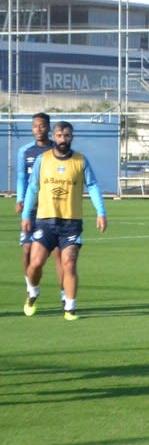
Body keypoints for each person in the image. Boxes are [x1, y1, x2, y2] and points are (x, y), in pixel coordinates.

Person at [21, 121, 108, 321]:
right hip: (45, 221)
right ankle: (32, 292)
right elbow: (33, 188)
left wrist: (100, 212)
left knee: (69, 263)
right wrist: (26, 214)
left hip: (71, 223)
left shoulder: (80, 161)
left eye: (67, 136)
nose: (63, 140)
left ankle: (70, 308)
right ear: (54, 136)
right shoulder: (43, 160)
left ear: (72, 137)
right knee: (35, 264)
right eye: (59, 136)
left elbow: (93, 186)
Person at [15, 113, 64, 303]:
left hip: (52, 209)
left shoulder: (57, 150)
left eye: (42, 126)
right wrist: (20, 199)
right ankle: (31, 289)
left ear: (48, 127)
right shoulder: (25, 151)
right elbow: (22, 177)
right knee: (27, 250)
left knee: (58, 253)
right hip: (31, 208)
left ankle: (64, 294)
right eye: (35, 126)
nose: (38, 129)